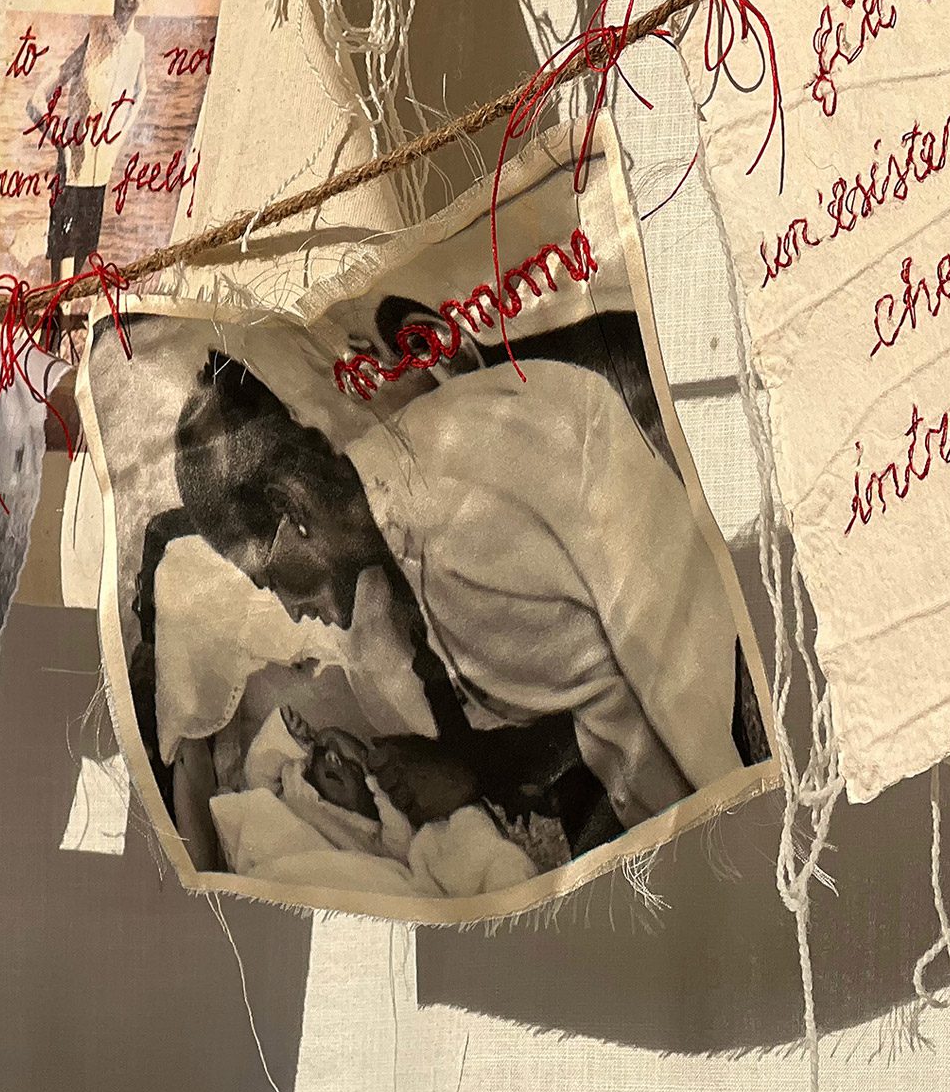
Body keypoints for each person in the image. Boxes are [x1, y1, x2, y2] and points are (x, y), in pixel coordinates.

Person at [169, 349, 744, 855]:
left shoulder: (479, 457)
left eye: (270, 581)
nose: (293, 612)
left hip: (724, 745)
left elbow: (673, 647)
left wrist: (730, 817)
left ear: (292, 509)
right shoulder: (398, 570)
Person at [31, 0, 157, 284]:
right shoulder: (95, 33)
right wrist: (55, 135)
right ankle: (50, 336)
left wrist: (121, 133)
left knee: (79, 280)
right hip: (71, 175)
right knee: (60, 286)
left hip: (99, 177)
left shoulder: (138, 46)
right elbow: (41, 94)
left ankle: (66, 335)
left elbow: (141, 90)